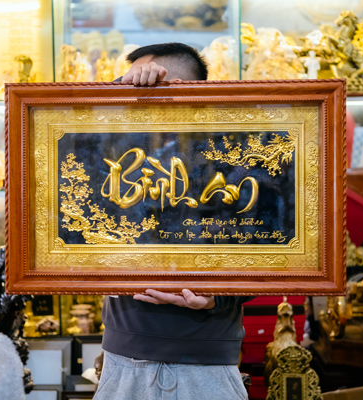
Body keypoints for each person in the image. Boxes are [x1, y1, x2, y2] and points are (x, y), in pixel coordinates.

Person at [94, 43, 252, 400]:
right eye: (131, 81)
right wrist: (118, 90)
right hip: (124, 360)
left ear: (180, 85)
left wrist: (215, 298)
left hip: (209, 363)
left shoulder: (228, 154)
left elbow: (272, 254)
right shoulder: (120, 150)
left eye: (141, 79)